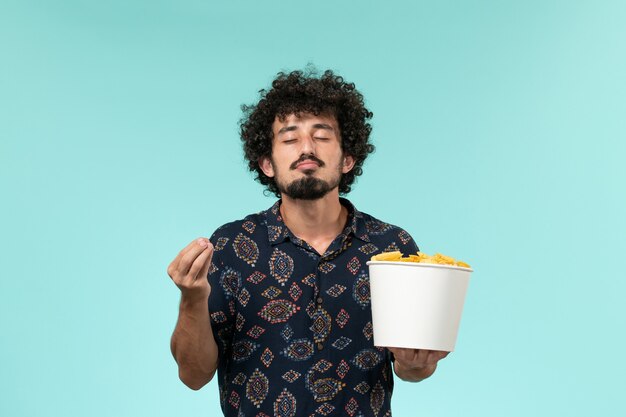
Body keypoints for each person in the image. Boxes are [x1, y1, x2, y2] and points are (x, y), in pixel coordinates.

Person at [167, 68, 449, 417]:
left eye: (322, 136)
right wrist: (191, 297)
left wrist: (416, 362)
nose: (306, 148)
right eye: (289, 138)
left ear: (348, 159)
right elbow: (193, 375)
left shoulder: (391, 247)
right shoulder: (230, 246)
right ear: (267, 163)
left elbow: (412, 369)